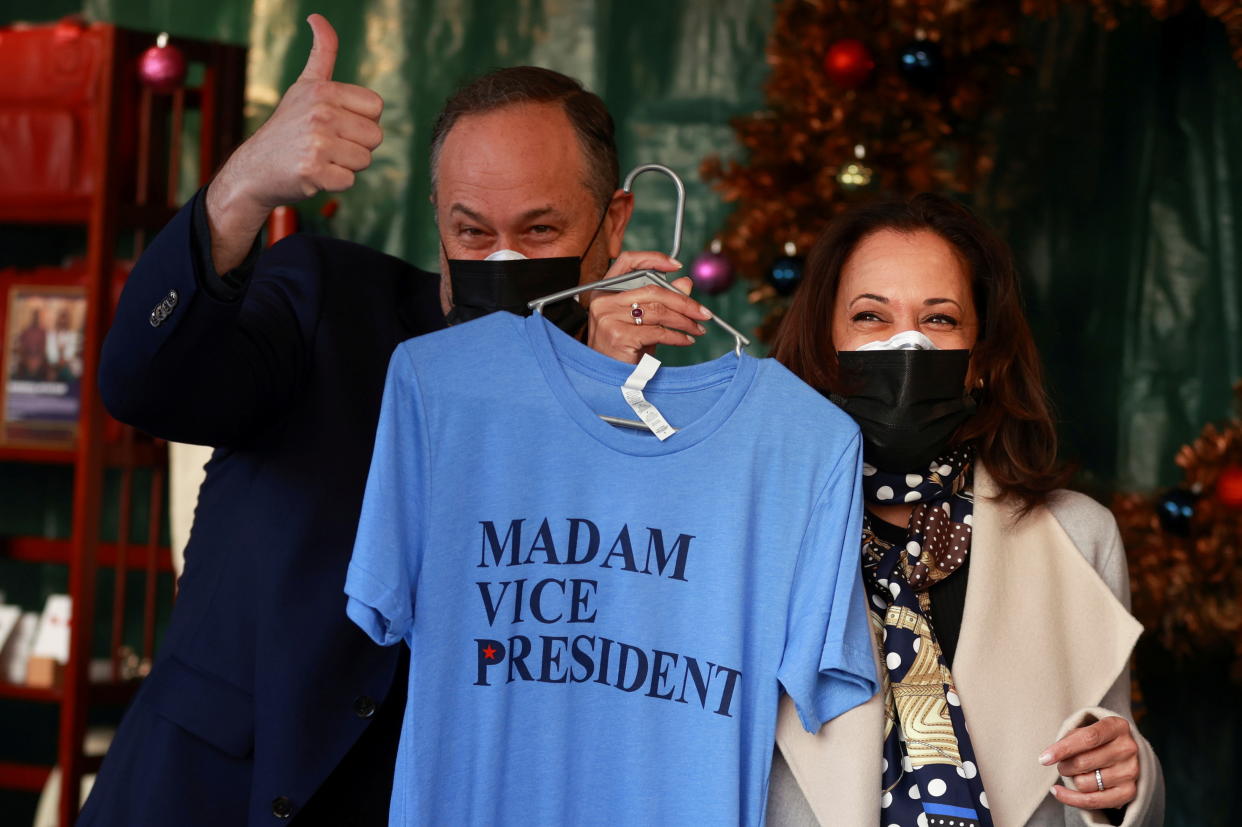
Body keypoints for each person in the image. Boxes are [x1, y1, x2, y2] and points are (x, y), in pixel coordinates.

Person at [80, 14, 710, 827]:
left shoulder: (643, 412)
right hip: (203, 796)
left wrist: (595, 397)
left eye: (541, 231)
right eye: (470, 232)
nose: (501, 262)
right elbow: (141, 384)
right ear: (437, 219)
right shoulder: (325, 302)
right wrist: (241, 189)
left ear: (615, 223)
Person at [761, 194, 1164, 827]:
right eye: (871, 316)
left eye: (940, 319)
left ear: (980, 357)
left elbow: (1108, 752)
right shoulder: (756, 531)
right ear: (823, 344)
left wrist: (1125, 781)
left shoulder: (1080, 535)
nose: (908, 345)